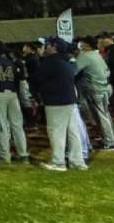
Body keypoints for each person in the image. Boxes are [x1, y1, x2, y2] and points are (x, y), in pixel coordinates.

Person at [34, 40, 86, 172]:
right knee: (72, 131)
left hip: (56, 100)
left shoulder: (51, 61)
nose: (46, 46)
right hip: (69, 99)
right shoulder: (67, 60)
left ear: (53, 47)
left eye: (48, 44)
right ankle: (77, 161)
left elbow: (37, 78)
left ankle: (58, 162)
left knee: (56, 131)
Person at [0, 42, 29, 163]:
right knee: (17, 125)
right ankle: (23, 153)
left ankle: (4, 155)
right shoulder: (11, 62)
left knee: (1, 125)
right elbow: (18, 80)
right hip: (12, 93)